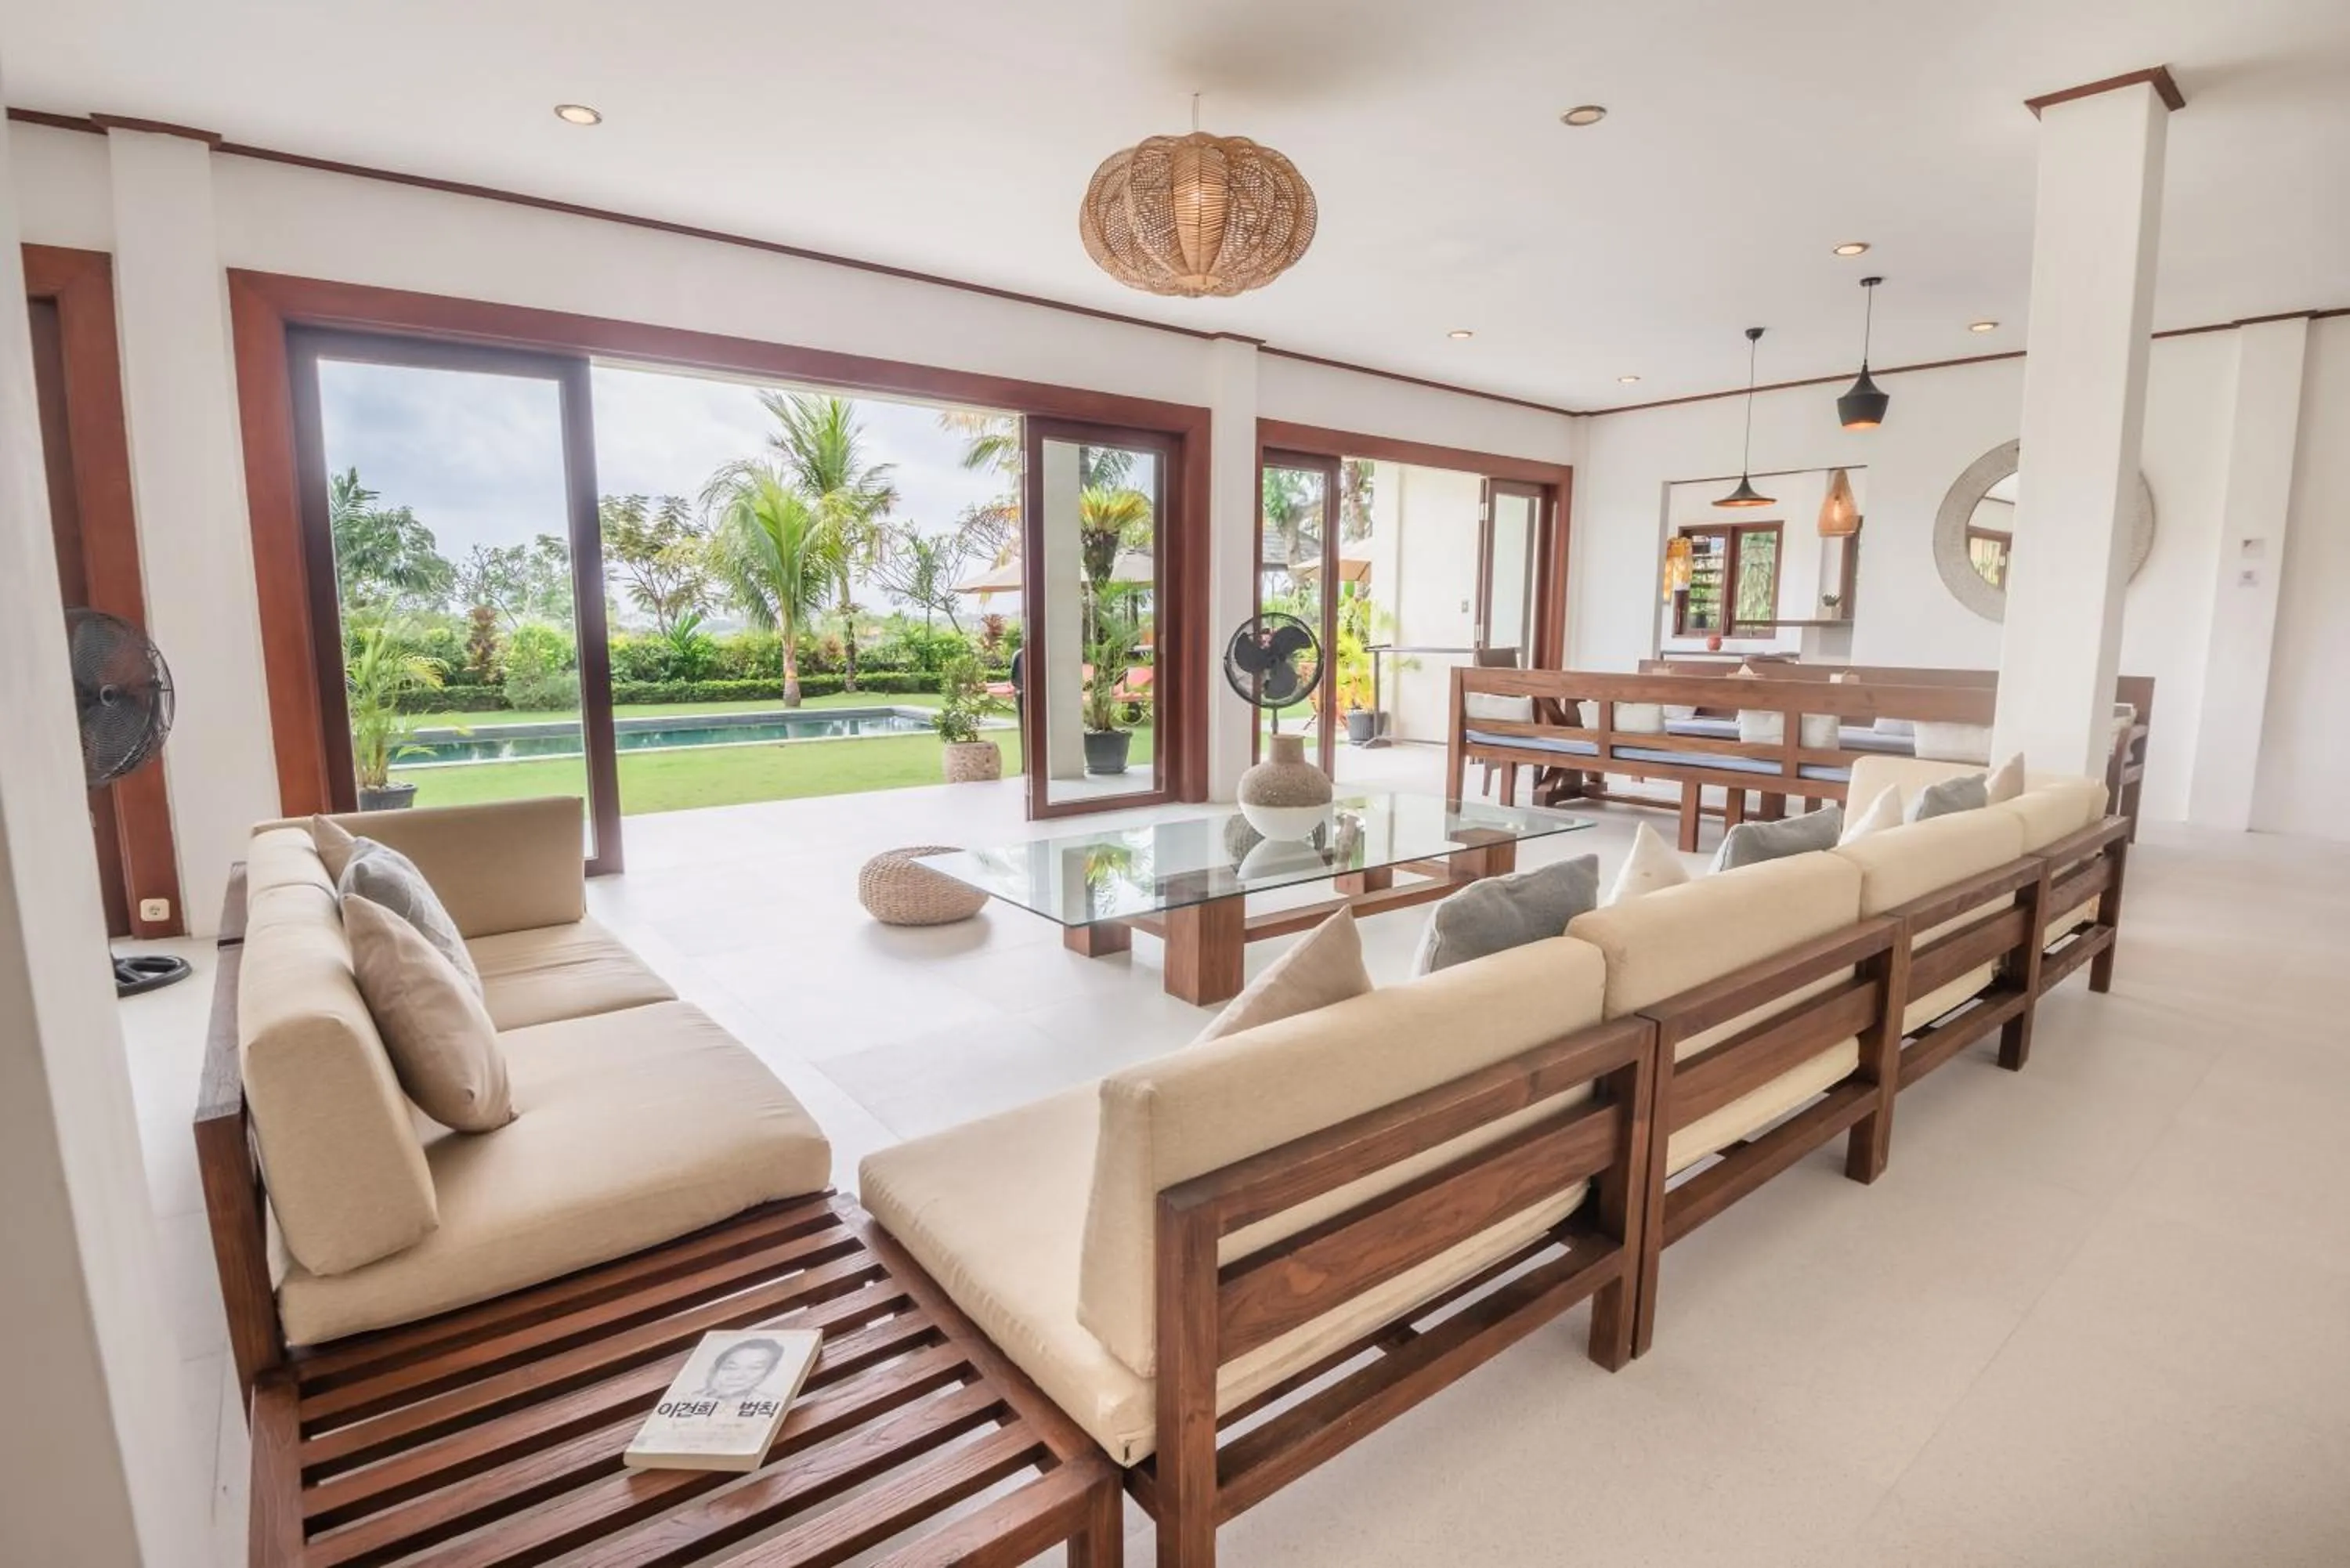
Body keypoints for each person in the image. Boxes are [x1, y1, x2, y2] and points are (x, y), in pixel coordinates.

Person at [695, 1337, 786, 1403]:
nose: (739, 1376)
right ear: (714, 1370)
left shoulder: (773, 1402)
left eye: (754, 1368)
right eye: (731, 1368)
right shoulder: (689, 1400)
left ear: (769, 1372)